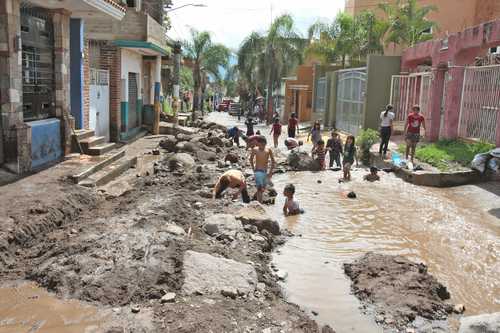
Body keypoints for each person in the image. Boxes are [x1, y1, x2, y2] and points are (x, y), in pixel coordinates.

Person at [250, 136, 276, 203]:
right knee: (260, 188)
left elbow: (273, 161)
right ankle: (260, 205)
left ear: (266, 143)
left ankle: (255, 197)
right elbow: (251, 159)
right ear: (258, 143)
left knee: (263, 188)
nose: (263, 146)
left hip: (265, 172)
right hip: (258, 171)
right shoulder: (255, 149)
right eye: (261, 144)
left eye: (264, 144)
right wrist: (253, 168)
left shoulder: (268, 150)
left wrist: (270, 172)